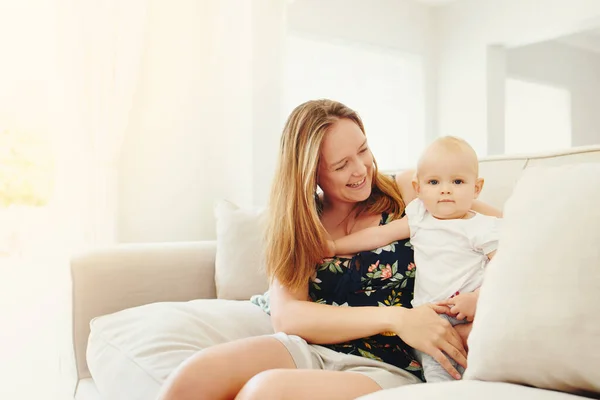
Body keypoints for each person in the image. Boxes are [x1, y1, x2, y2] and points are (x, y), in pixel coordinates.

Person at [157, 100, 502, 400]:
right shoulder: (301, 223)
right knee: (192, 378)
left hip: (387, 362)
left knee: (265, 393)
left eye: (363, 150)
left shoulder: (409, 191)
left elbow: (506, 230)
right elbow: (289, 316)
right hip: (312, 349)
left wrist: (478, 302)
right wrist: (397, 318)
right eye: (341, 165)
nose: (361, 169)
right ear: (311, 173)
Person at [325, 136, 501, 382]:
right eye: (434, 182)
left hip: (472, 309)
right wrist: (334, 247)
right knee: (439, 373)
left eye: (458, 181)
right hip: (428, 316)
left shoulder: (483, 227)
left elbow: (503, 269)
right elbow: (379, 235)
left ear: (477, 188)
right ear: (418, 189)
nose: (445, 189)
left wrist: (477, 299)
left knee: (480, 365)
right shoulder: (419, 217)